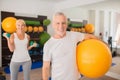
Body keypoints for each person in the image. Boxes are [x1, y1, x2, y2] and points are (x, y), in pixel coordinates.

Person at [42, 12, 98, 80]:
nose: (61, 26)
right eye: (58, 23)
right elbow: (46, 68)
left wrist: (105, 45)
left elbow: (90, 36)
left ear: (67, 24)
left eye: (63, 23)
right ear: (53, 25)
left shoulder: (74, 35)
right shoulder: (48, 45)